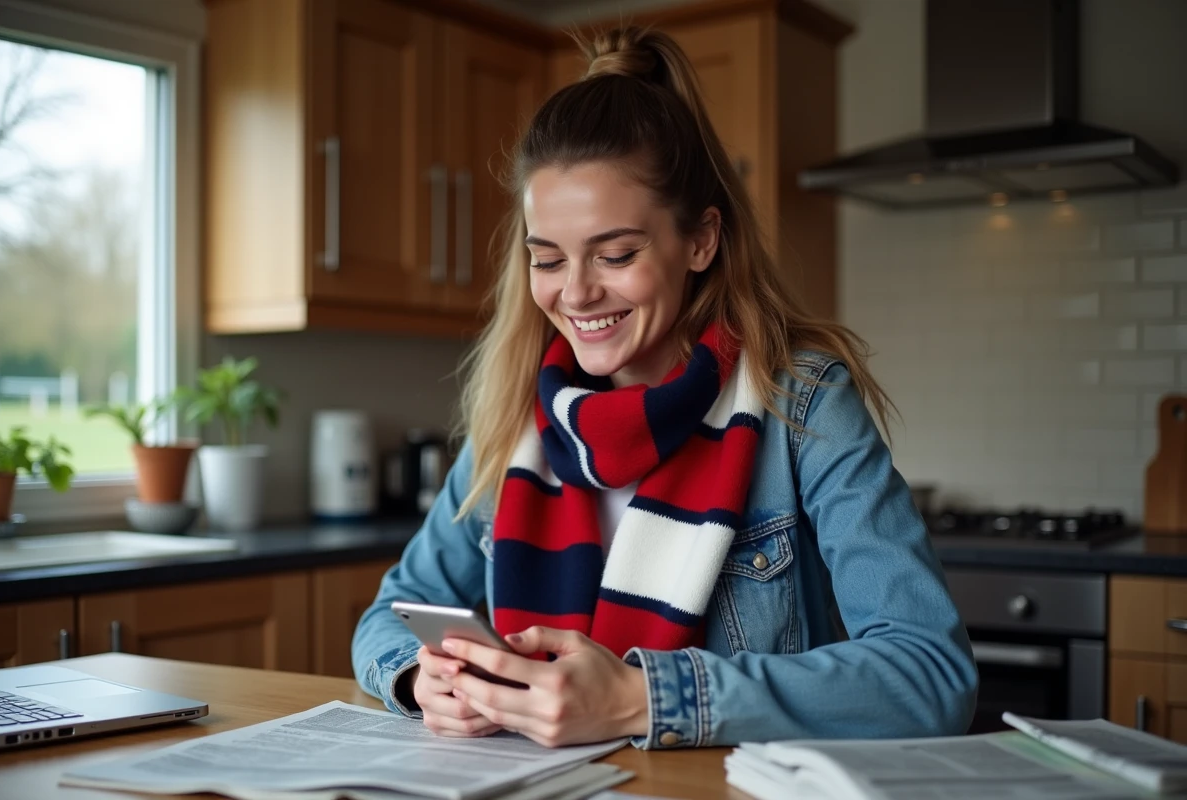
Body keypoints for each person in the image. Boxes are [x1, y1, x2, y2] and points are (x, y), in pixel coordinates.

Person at [352, 26, 977, 750]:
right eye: (547, 259)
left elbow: (931, 673)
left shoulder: (800, 404)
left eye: (616, 253)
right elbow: (387, 619)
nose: (577, 293)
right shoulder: (521, 419)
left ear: (702, 241)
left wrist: (643, 699)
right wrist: (416, 679)